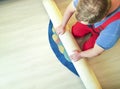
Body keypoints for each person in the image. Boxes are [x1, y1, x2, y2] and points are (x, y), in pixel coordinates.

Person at [55, 0, 120, 62]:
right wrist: (62, 25)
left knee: (88, 47)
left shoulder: (114, 30)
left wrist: (80, 55)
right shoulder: (87, 2)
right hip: (96, 23)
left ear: (102, 19)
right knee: (75, 31)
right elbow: (70, 9)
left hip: (101, 30)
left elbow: (96, 51)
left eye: (85, 22)